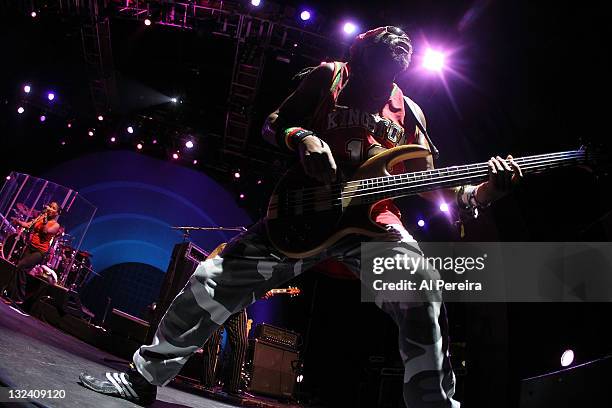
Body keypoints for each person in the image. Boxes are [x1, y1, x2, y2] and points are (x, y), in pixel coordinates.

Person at [79, 26, 522, 407]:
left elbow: (427, 180)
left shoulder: (411, 113)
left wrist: (481, 190)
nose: (374, 86)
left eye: (387, 77)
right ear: (358, 57)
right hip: (304, 212)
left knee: (422, 289)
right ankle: (141, 379)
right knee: (213, 278)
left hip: (373, 222)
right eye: (370, 73)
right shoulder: (330, 76)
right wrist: (303, 138)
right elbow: (274, 122)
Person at [2, 202, 62, 306]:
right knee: (19, 268)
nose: (50, 209)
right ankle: (12, 296)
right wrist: (18, 222)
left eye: (53, 208)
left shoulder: (56, 225)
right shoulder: (41, 216)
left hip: (40, 252)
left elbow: (45, 231)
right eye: (50, 206)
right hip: (30, 247)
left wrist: (44, 219)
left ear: (56, 213)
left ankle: (19, 298)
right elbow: (29, 225)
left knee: (22, 266)